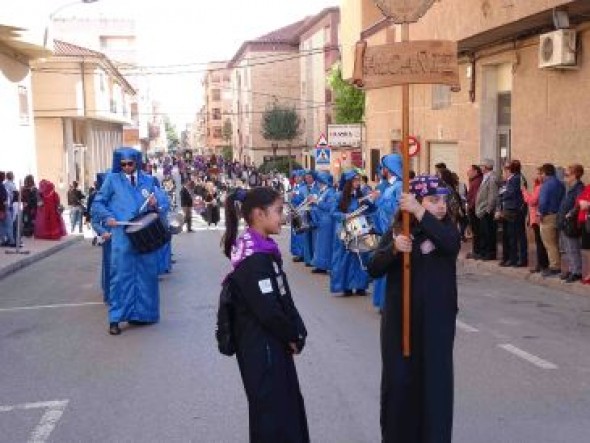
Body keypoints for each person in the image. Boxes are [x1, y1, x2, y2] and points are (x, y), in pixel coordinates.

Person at [367, 175, 460, 443]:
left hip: (436, 321)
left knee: (436, 384)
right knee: (399, 383)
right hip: (401, 322)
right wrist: (393, 250)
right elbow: (374, 267)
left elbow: (451, 244)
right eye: (433, 200)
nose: (441, 205)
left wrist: (422, 211)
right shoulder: (400, 228)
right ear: (417, 199)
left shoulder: (445, 229)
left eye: (444, 200)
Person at [222, 187, 309, 442]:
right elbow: (268, 310)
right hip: (264, 349)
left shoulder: (263, 249)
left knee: (284, 410)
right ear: (259, 214)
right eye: (278, 211)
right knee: (273, 417)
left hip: (271, 345)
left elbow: (281, 296)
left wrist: (297, 328)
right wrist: (291, 334)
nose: (282, 217)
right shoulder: (254, 259)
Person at [91, 147, 166, 335]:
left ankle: (142, 314)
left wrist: (155, 205)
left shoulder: (148, 181)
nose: (126, 167)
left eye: (130, 164)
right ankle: (115, 319)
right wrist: (107, 217)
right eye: (122, 164)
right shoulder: (112, 180)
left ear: (137, 162)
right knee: (120, 277)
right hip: (122, 236)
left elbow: (160, 206)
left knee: (145, 274)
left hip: (143, 234)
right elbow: (98, 203)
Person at [330, 169, 372, 296]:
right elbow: (333, 212)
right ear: (348, 182)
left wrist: (372, 200)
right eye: (355, 180)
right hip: (345, 229)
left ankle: (361, 286)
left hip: (360, 228)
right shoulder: (339, 196)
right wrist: (346, 216)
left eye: (358, 180)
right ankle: (346, 286)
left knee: (361, 257)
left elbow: (371, 210)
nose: (358, 182)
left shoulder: (362, 195)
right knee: (345, 258)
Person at [371, 154, 403, 310]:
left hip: (392, 233)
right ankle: (382, 302)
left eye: (383, 167)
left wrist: (380, 198)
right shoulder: (389, 186)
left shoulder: (399, 186)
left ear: (388, 169)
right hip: (384, 231)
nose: (381, 170)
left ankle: (388, 304)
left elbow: (397, 209)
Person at [557, 164, 585, 282]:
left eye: (568, 174)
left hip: (571, 222)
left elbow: (579, 204)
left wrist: (570, 213)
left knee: (573, 247)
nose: (565, 176)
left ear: (575, 175)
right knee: (567, 248)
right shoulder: (569, 186)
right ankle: (571, 268)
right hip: (564, 221)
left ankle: (577, 272)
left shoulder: (579, 188)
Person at [538, 163, 565, 277]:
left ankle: (555, 266)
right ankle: (556, 264)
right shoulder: (560, 184)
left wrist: (541, 213)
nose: (541, 176)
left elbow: (543, 201)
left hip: (548, 215)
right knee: (555, 242)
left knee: (549, 243)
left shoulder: (546, 185)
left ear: (545, 173)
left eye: (541, 173)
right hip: (557, 214)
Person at [309, 171, 338, 274]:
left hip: (327, 222)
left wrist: (316, 202)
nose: (317, 183)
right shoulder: (322, 191)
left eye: (319, 181)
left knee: (325, 245)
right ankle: (320, 265)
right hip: (321, 221)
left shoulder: (330, 192)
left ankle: (326, 265)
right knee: (320, 244)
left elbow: (330, 207)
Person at [522, 167, 549, 273]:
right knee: (540, 242)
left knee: (540, 242)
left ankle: (541, 264)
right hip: (535, 217)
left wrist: (524, 191)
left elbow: (532, 201)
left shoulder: (540, 187)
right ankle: (541, 264)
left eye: (539, 174)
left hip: (536, 218)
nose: (537, 176)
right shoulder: (539, 186)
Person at [475, 158, 499, 261]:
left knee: (489, 233)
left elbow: (492, 195)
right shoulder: (485, 176)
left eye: (481, 166)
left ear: (486, 167)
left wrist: (488, 209)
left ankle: (490, 253)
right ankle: (485, 252)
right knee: (484, 232)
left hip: (487, 210)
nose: (480, 167)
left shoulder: (492, 177)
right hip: (482, 209)